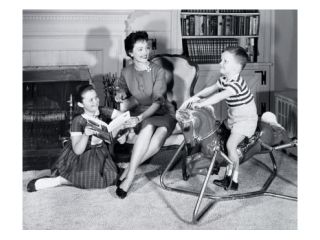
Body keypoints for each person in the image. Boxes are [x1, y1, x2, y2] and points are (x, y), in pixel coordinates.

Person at [180, 46, 258, 191]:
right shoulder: (225, 79)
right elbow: (210, 89)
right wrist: (195, 97)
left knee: (230, 146)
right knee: (217, 134)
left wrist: (201, 103)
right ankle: (225, 174)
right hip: (233, 118)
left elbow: (218, 97)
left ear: (237, 67)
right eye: (221, 60)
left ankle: (234, 178)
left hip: (245, 121)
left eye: (225, 61)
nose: (220, 63)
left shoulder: (236, 84)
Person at [114, 31, 177, 198]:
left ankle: (129, 172)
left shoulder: (158, 71)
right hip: (142, 111)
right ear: (130, 53)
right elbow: (121, 87)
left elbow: (158, 101)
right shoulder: (126, 71)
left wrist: (139, 118)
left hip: (163, 111)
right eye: (140, 49)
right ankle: (131, 173)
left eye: (146, 48)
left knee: (156, 132)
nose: (145, 52)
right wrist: (120, 93)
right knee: (148, 127)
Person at [27, 84, 119, 192]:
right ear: (81, 104)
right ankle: (60, 181)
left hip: (100, 152)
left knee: (112, 176)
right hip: (82, 154)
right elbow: (78, 150)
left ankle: (72, 179)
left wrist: (125, 123)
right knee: (91, 177)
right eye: (91, 100)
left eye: (96, 97)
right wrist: (86, 135)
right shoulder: (78, 121)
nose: (96, 102)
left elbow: (121, 116)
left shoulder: (102, 110)